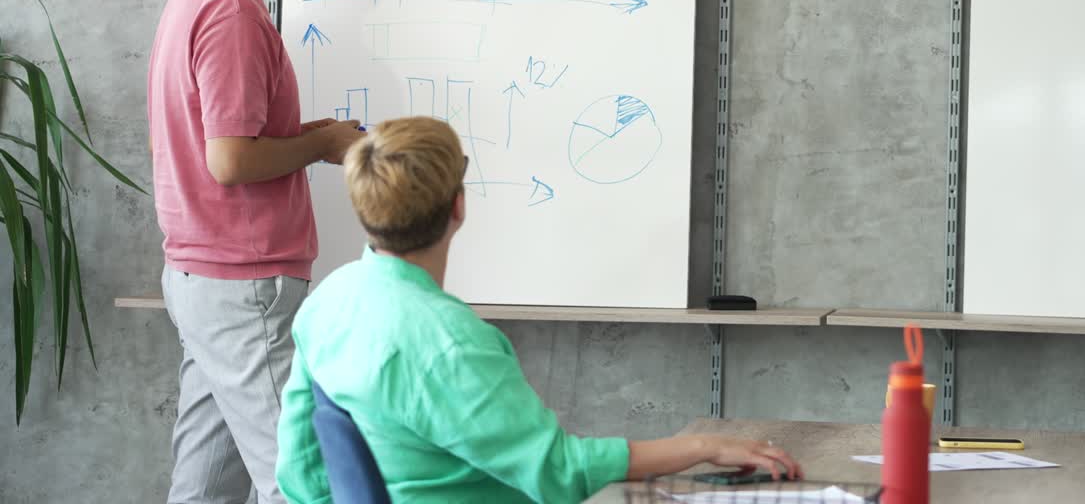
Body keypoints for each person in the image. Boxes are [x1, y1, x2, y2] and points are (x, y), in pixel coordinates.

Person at [275, 117, 804, 503]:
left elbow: (300, 476)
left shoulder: (326, 303)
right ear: (458, 205)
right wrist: (701, 446)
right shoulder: (453, 343)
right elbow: (557, 474)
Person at [148, 0, 365, 503]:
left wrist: (315, 136)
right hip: (242, 287)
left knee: (205, 487)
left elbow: (225, 142)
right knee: (304, 485)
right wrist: (323, 144)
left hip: (206, 278)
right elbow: (231, 159)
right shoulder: (231, 15)